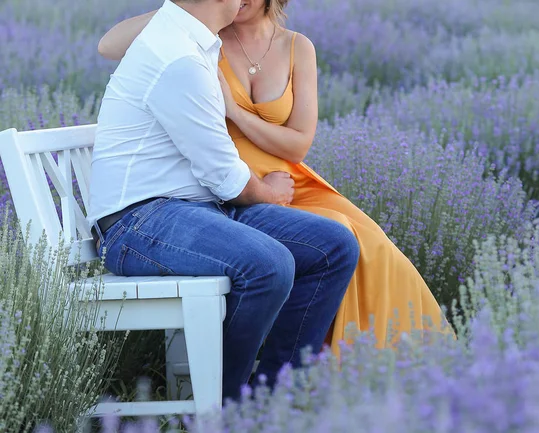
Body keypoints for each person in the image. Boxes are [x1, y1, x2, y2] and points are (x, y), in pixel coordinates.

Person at [98, 0, 453, 358]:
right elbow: (109, 46)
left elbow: (298, 145)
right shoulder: (202, 35)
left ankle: (376, 362)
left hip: (276, 182)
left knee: (357, 241)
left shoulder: (294, 46)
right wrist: (185, 7)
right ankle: (263, 389)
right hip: (228, 188)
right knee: (281, 258)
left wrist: (235, 112)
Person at [87, 0, 361, 402]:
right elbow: (225, 177)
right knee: (269, 264)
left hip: (197, 208)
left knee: (333, 247)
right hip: (139, 222)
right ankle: (223, 407)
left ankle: (273, 402)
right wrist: (271, 193)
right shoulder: (178, 57)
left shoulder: (196, 43)